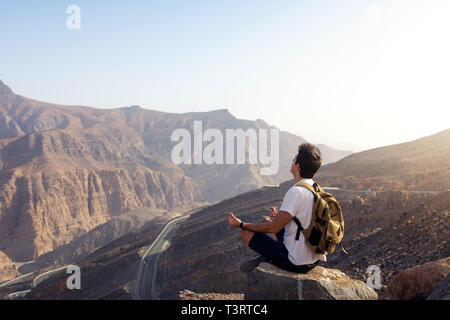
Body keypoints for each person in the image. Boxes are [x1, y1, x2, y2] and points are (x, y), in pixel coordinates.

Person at [227, 143, 326, 273]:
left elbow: (273, 227)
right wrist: (278, 218)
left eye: (295, 158)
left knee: (246, 232)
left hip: (297, 262)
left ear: (298, 166)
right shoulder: (315, 188)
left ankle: (270, 259)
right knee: (273, 229)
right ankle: (270, 256)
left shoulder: (296, 192)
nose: (292, 160)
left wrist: (241, 224)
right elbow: (302, 221)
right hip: (313, 258)